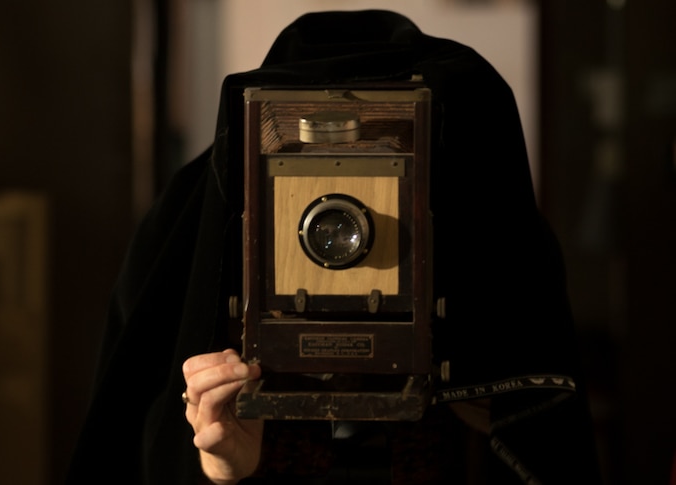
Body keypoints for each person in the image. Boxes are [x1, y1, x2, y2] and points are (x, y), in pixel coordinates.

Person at [66, 10, 602, 484]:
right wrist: (220, 463)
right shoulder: (190, 224)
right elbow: (133, 439)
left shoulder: (483, 226)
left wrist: (499, 403)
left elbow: (546, 442)